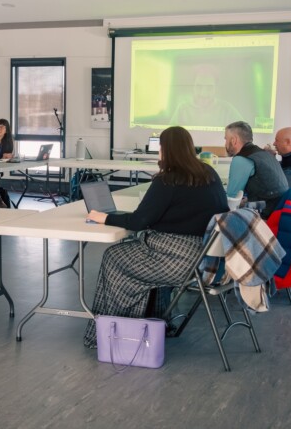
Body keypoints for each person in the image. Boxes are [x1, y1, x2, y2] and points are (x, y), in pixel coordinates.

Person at [82, 126, 229, 348]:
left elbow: (139, 221)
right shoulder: (208, 174)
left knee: (113, 257)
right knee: (129, 253)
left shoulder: (168, 180)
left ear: (165, 149)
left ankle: (111, 332)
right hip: (203, 257)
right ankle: (151, 319)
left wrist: (105, 218)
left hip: (174, 260)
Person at [224, 120, 288, 217]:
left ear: (234, 140)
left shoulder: (241, 159)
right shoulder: (264, 154)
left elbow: (231, 200)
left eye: (226, 139)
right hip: (280, 209)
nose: (225, 144)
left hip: (266, 215)